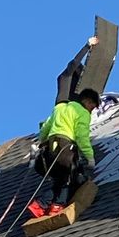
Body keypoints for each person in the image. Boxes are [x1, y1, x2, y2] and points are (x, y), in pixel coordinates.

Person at [33, 84, 100, 215]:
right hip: (65, 149)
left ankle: (40, 205)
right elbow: (81, 136)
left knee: (60, 178)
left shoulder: (59, 108)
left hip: (50, 152)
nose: (92, 109)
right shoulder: (82, 112)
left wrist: (40, 142)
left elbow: (45, 128)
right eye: (92, 105)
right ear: (86, 101)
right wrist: (90, 157)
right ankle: (56, 206)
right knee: (70, 178)